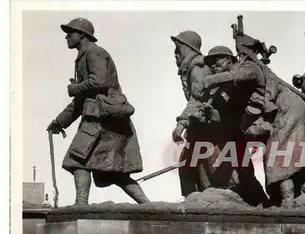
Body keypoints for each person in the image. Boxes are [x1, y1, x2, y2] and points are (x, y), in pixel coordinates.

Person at [203, 37, 305, 208]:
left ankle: (288, 202)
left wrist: (209, 80)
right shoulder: (237, 80)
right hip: (281, 110)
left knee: (277, 154)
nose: (213, 65)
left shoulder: (249, 68)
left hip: (287, 108)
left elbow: (237, 76)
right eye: (210, 63)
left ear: (229, 59)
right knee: (275, 153)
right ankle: (281, 199)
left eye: (216, 60)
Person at [46, 18, 150, 205]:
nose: (67, 37)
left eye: (71, 32)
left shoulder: (94, 53)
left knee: (76, 161)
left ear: (83, 35)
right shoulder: (86, 55)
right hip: (101, 119)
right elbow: (82, 100)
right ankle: (148, 206)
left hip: (101, 120)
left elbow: (99, 81)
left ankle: (81, 205)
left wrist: (75, 88)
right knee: (115, 172)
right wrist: (60, 122)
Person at [170, 30, 212, 197]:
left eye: (178, 48)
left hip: (206, 123)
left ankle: (197, 202)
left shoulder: (197, 67)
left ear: (187, 48)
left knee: (191, 167)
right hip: (199, 122)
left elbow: (198, 97)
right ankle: (196, 201)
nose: (175, 53)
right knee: (191, 167)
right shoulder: (191, 68)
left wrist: (181, 124)